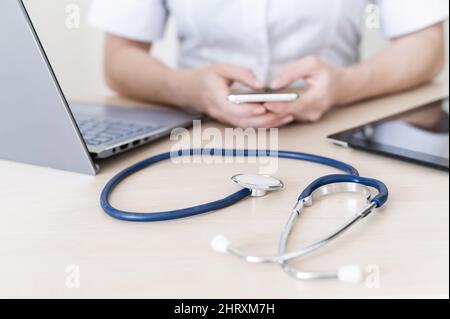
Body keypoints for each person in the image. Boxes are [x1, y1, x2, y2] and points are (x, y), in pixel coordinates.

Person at [89, 0, 448, 128]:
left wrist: (346, 85)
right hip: (196, 137)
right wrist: (187, 89)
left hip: (338, 126)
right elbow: (120, 57)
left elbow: (426, 44)